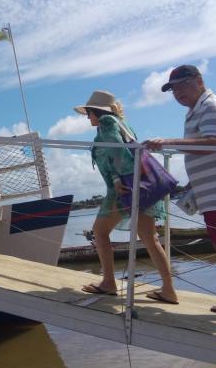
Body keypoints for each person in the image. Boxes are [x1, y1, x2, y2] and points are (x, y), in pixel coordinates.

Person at [145, 65, 216, 317]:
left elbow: (214, 141)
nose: (178, 92)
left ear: (199, 81)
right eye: (173, 89)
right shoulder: (195, 110)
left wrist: (168, 141)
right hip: (214, 193)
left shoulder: (210, 105)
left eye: (183, 84)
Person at [75, 91, 178, 303]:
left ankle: (109, 283)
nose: (87, 117)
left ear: (97, 112)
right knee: (150, 239)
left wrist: (117, 178)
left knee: (99, 232)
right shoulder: (123, 123)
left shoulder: (106, 123)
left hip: (124, 189)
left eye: (88, 113)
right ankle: (169, 289)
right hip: (141, 185)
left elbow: (119, 153)